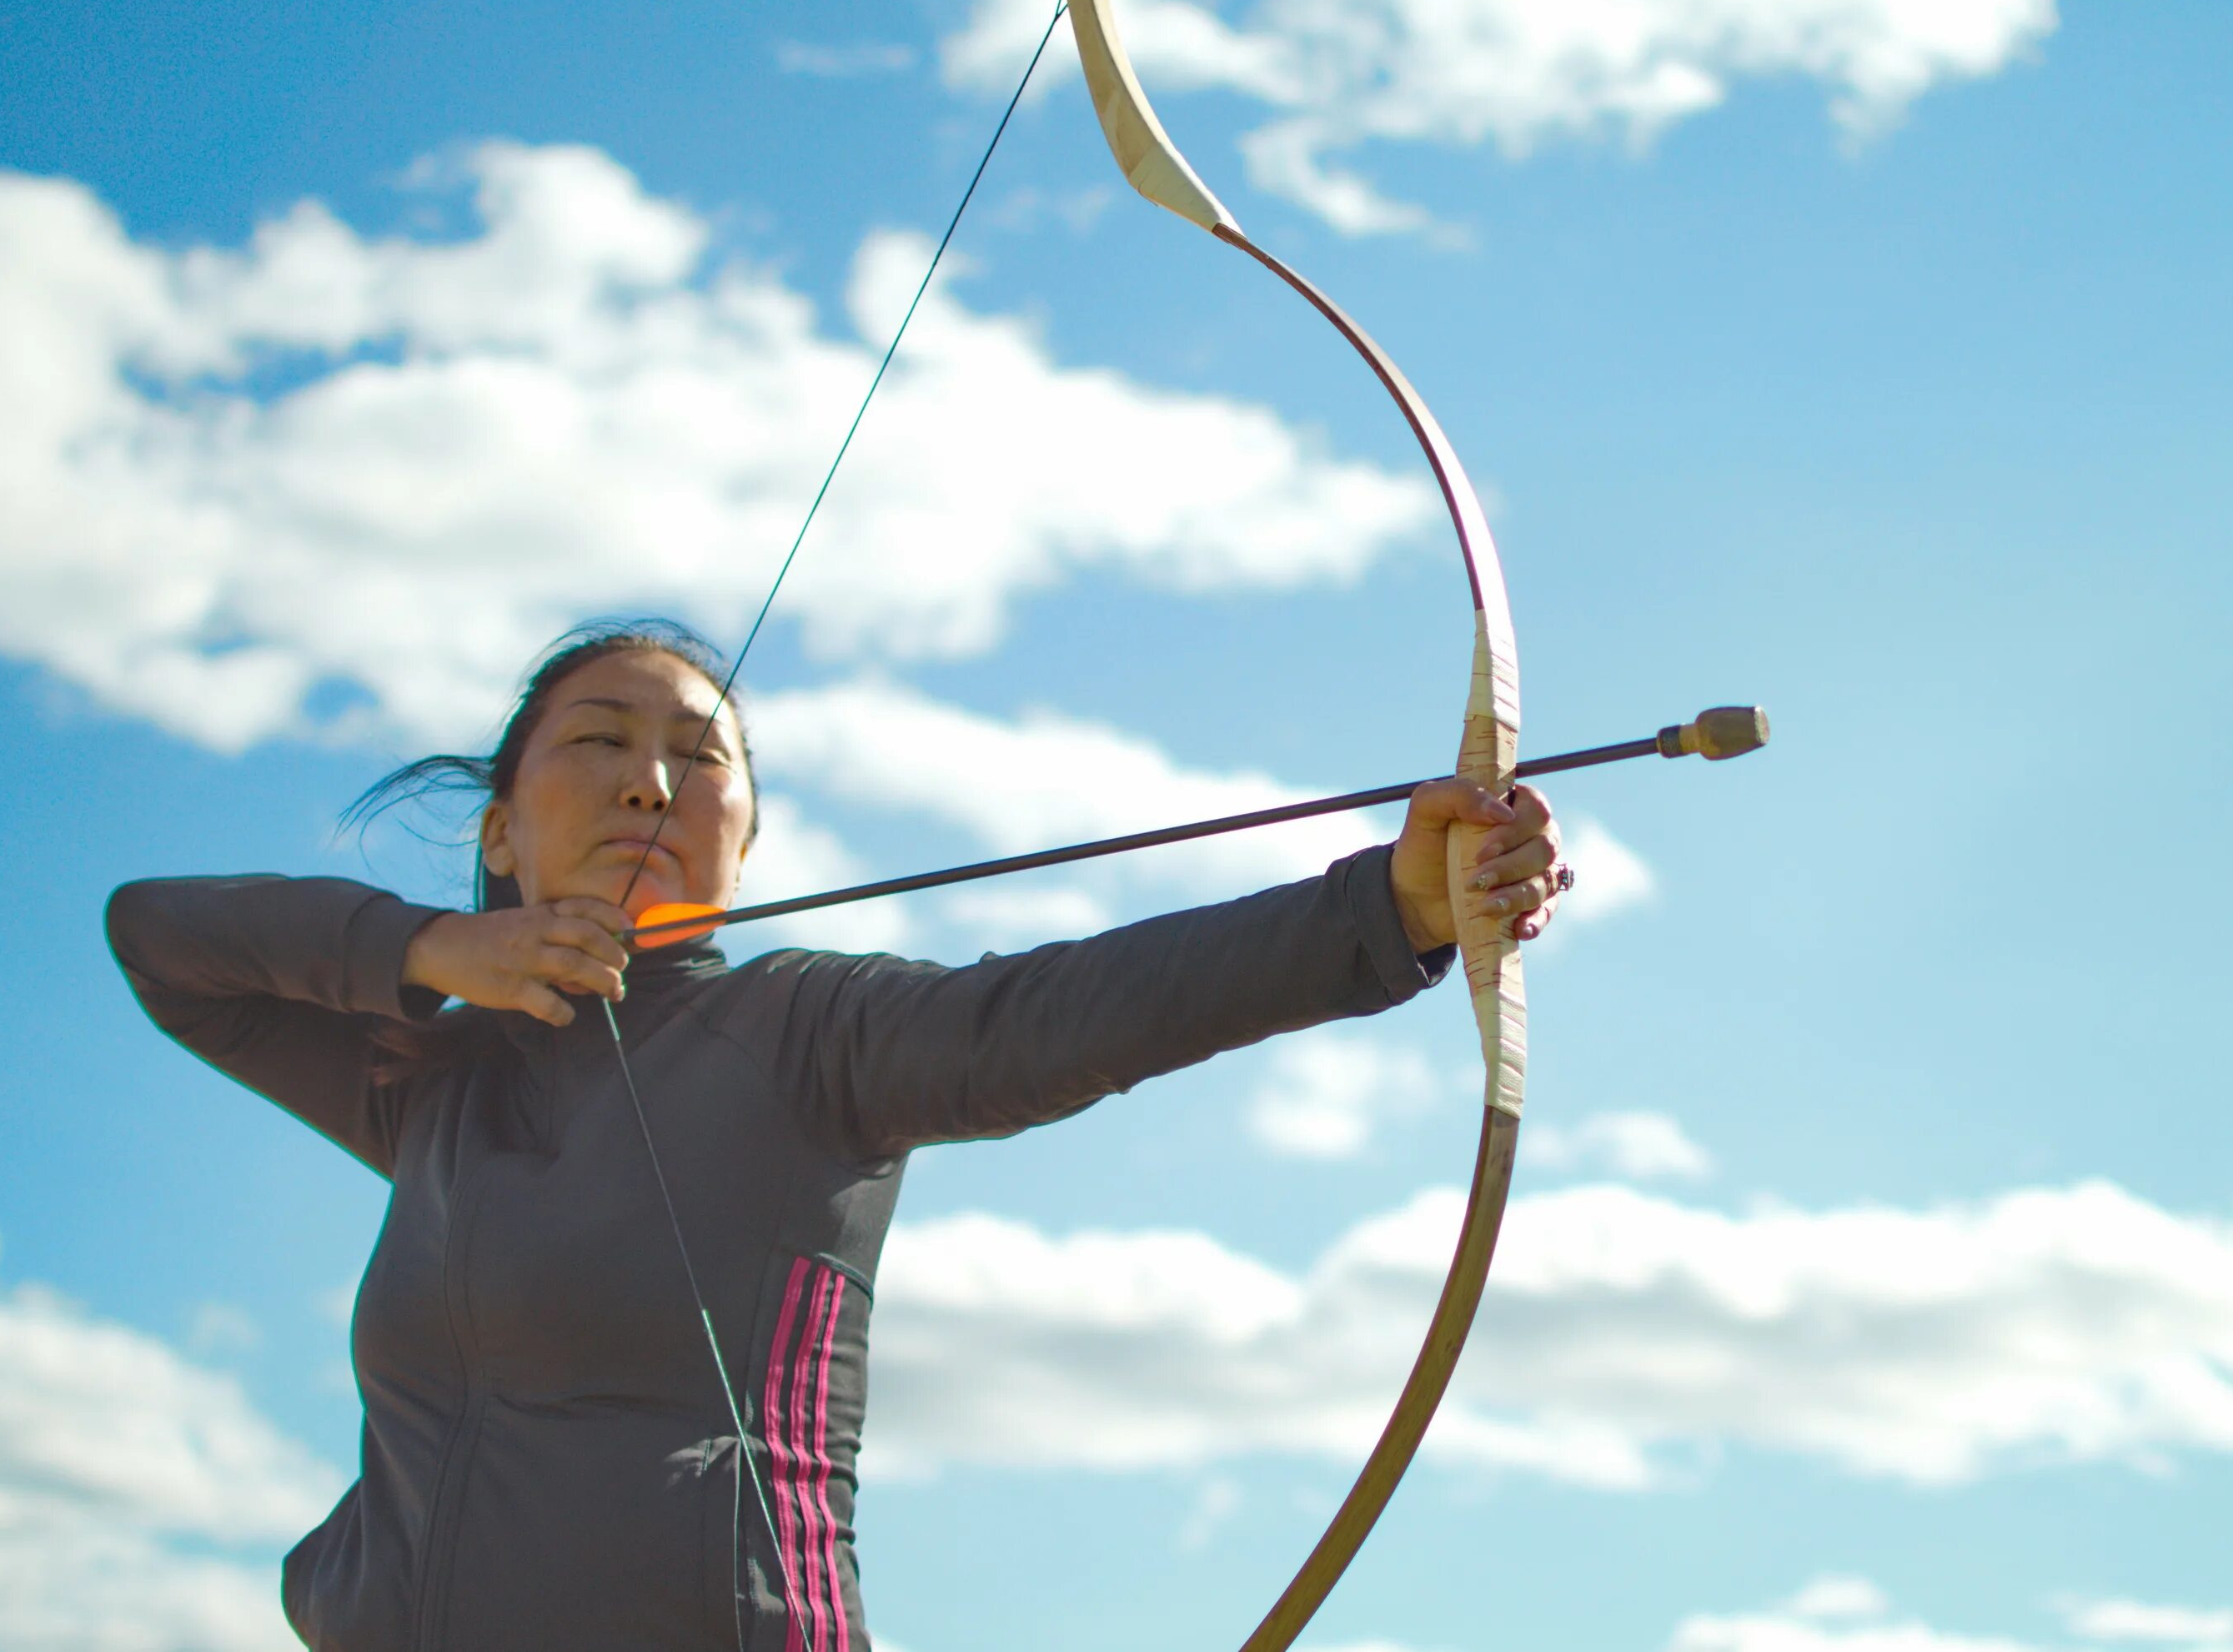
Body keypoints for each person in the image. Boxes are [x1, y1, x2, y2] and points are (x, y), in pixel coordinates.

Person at [106, 620, 1566, 1652]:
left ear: (743, 840)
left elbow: (1060, 1012)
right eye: (602, 742)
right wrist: (430, 951)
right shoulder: (432, 1083)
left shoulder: (809, 1032)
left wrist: (1391, 908)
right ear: (500, 830)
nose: (652, 782)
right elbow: (159, 939)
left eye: (701, 759)